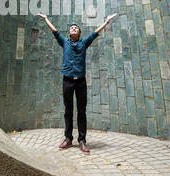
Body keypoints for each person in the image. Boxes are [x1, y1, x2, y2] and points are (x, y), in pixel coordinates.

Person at [37, 13, 118, 154]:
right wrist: (45, 19)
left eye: (76, 28)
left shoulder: (84, 43)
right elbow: (54, 31)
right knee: (68, 111)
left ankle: (82, 140)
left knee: (81, 111)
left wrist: (106, 21)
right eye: (71, 28)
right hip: (67, 81)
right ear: (69, 33)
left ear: (79, 33)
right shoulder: (64, 42)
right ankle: (68, 139)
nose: (73, 28)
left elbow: (95, 33)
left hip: (80, 82)